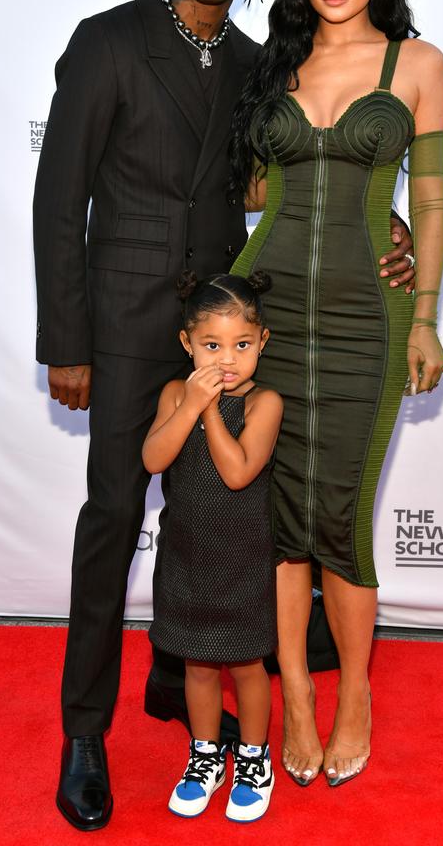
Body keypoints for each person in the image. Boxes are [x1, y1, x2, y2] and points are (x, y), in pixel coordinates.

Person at [32, 0, 415, 830]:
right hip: (122, 333)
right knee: (116, 515)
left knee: (226, 512)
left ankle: (182, 667)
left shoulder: (254, 63)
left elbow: (272, 188)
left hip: (229, 330)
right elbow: (57, 203)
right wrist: (66, 340)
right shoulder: (108, 42)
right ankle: (85, 732)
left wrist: (387, 225)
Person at [230, 0, 443, 788]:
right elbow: (253, 192)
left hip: (371, 317)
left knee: (343, 514)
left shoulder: (418, 63)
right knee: (281, 523)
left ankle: (354, 688)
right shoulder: (274, 65)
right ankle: (296, 691)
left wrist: (426, 311)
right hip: (269, 310)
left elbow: (432, 200)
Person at [142, 271, 282, 822]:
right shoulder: (176, 392)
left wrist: (208, 411)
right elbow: (153, 459)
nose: (227, 359)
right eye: (212, 345)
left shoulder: (264, 402)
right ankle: (205, 756)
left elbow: (238, 472)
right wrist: (188, 404)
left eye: (242, 345)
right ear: (187, 344)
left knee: (248, 666)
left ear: (262, 342)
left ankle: (252, 757)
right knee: (197, 665)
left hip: (243, 557)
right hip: (189, 553)